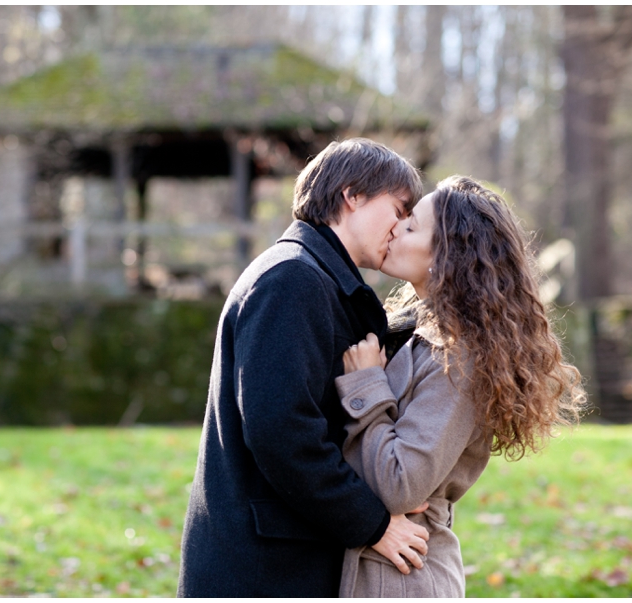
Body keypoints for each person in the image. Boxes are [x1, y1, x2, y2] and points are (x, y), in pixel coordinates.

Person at [177, 138, 431, 597]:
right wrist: (372, 524)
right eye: (398, 208)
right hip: (263, 570)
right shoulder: (291, 280)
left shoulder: (315, 279)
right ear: (352, 195)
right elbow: (282, 431)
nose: (400, 227)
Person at [335, 176, 587, 597]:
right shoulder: (415, 332)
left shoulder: (459, 358)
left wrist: (366, 383)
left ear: (446, 257)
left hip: (401, 577)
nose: (395, 227)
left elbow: (398, 487)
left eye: (411, 226)